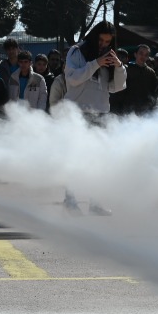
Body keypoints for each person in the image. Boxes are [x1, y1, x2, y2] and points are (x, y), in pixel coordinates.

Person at [61, 22, 126, 215]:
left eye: (108, 41)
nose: (104, 44)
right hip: (77, 113)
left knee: (99, 160)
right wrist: (96, 63)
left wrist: (119, 67)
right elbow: (72, 78)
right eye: (101, 40)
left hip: (101, 113)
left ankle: (95, 203)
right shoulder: (76, 52)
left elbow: (117, 87)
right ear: (94, 37)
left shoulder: (109, 57)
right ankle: (70, 200)